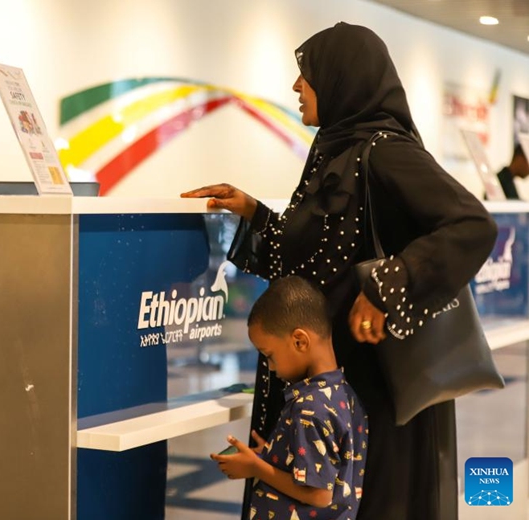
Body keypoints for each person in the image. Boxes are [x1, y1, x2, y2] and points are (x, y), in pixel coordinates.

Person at [183, 22, 497, 520]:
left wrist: (385, 288)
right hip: (323, 389)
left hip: (367, 392)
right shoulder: (336, 150)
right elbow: (314, 261)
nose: (296, 87)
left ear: (340, 79)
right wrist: (255, 213)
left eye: (305, 75)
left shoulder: (385, 151)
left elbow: (472, 224)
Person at [212, 276, 367, 520]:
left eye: (269, 355)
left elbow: (319, 494)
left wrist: (256, 468)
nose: (271, 368)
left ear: (299, 341)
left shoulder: (310, 408)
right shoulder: (343, 393)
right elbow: (328, 468)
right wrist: (276, 455)